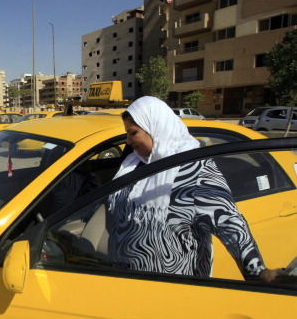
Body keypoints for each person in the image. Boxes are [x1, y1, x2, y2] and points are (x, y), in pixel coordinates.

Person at [106, 96, 279, 282]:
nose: (129, 140)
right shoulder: (134, 164)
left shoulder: (194, 170)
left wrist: (258, 273)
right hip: (126, 283)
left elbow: (232, 226)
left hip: (175, 290)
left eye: (133, 133)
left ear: (155, 129)